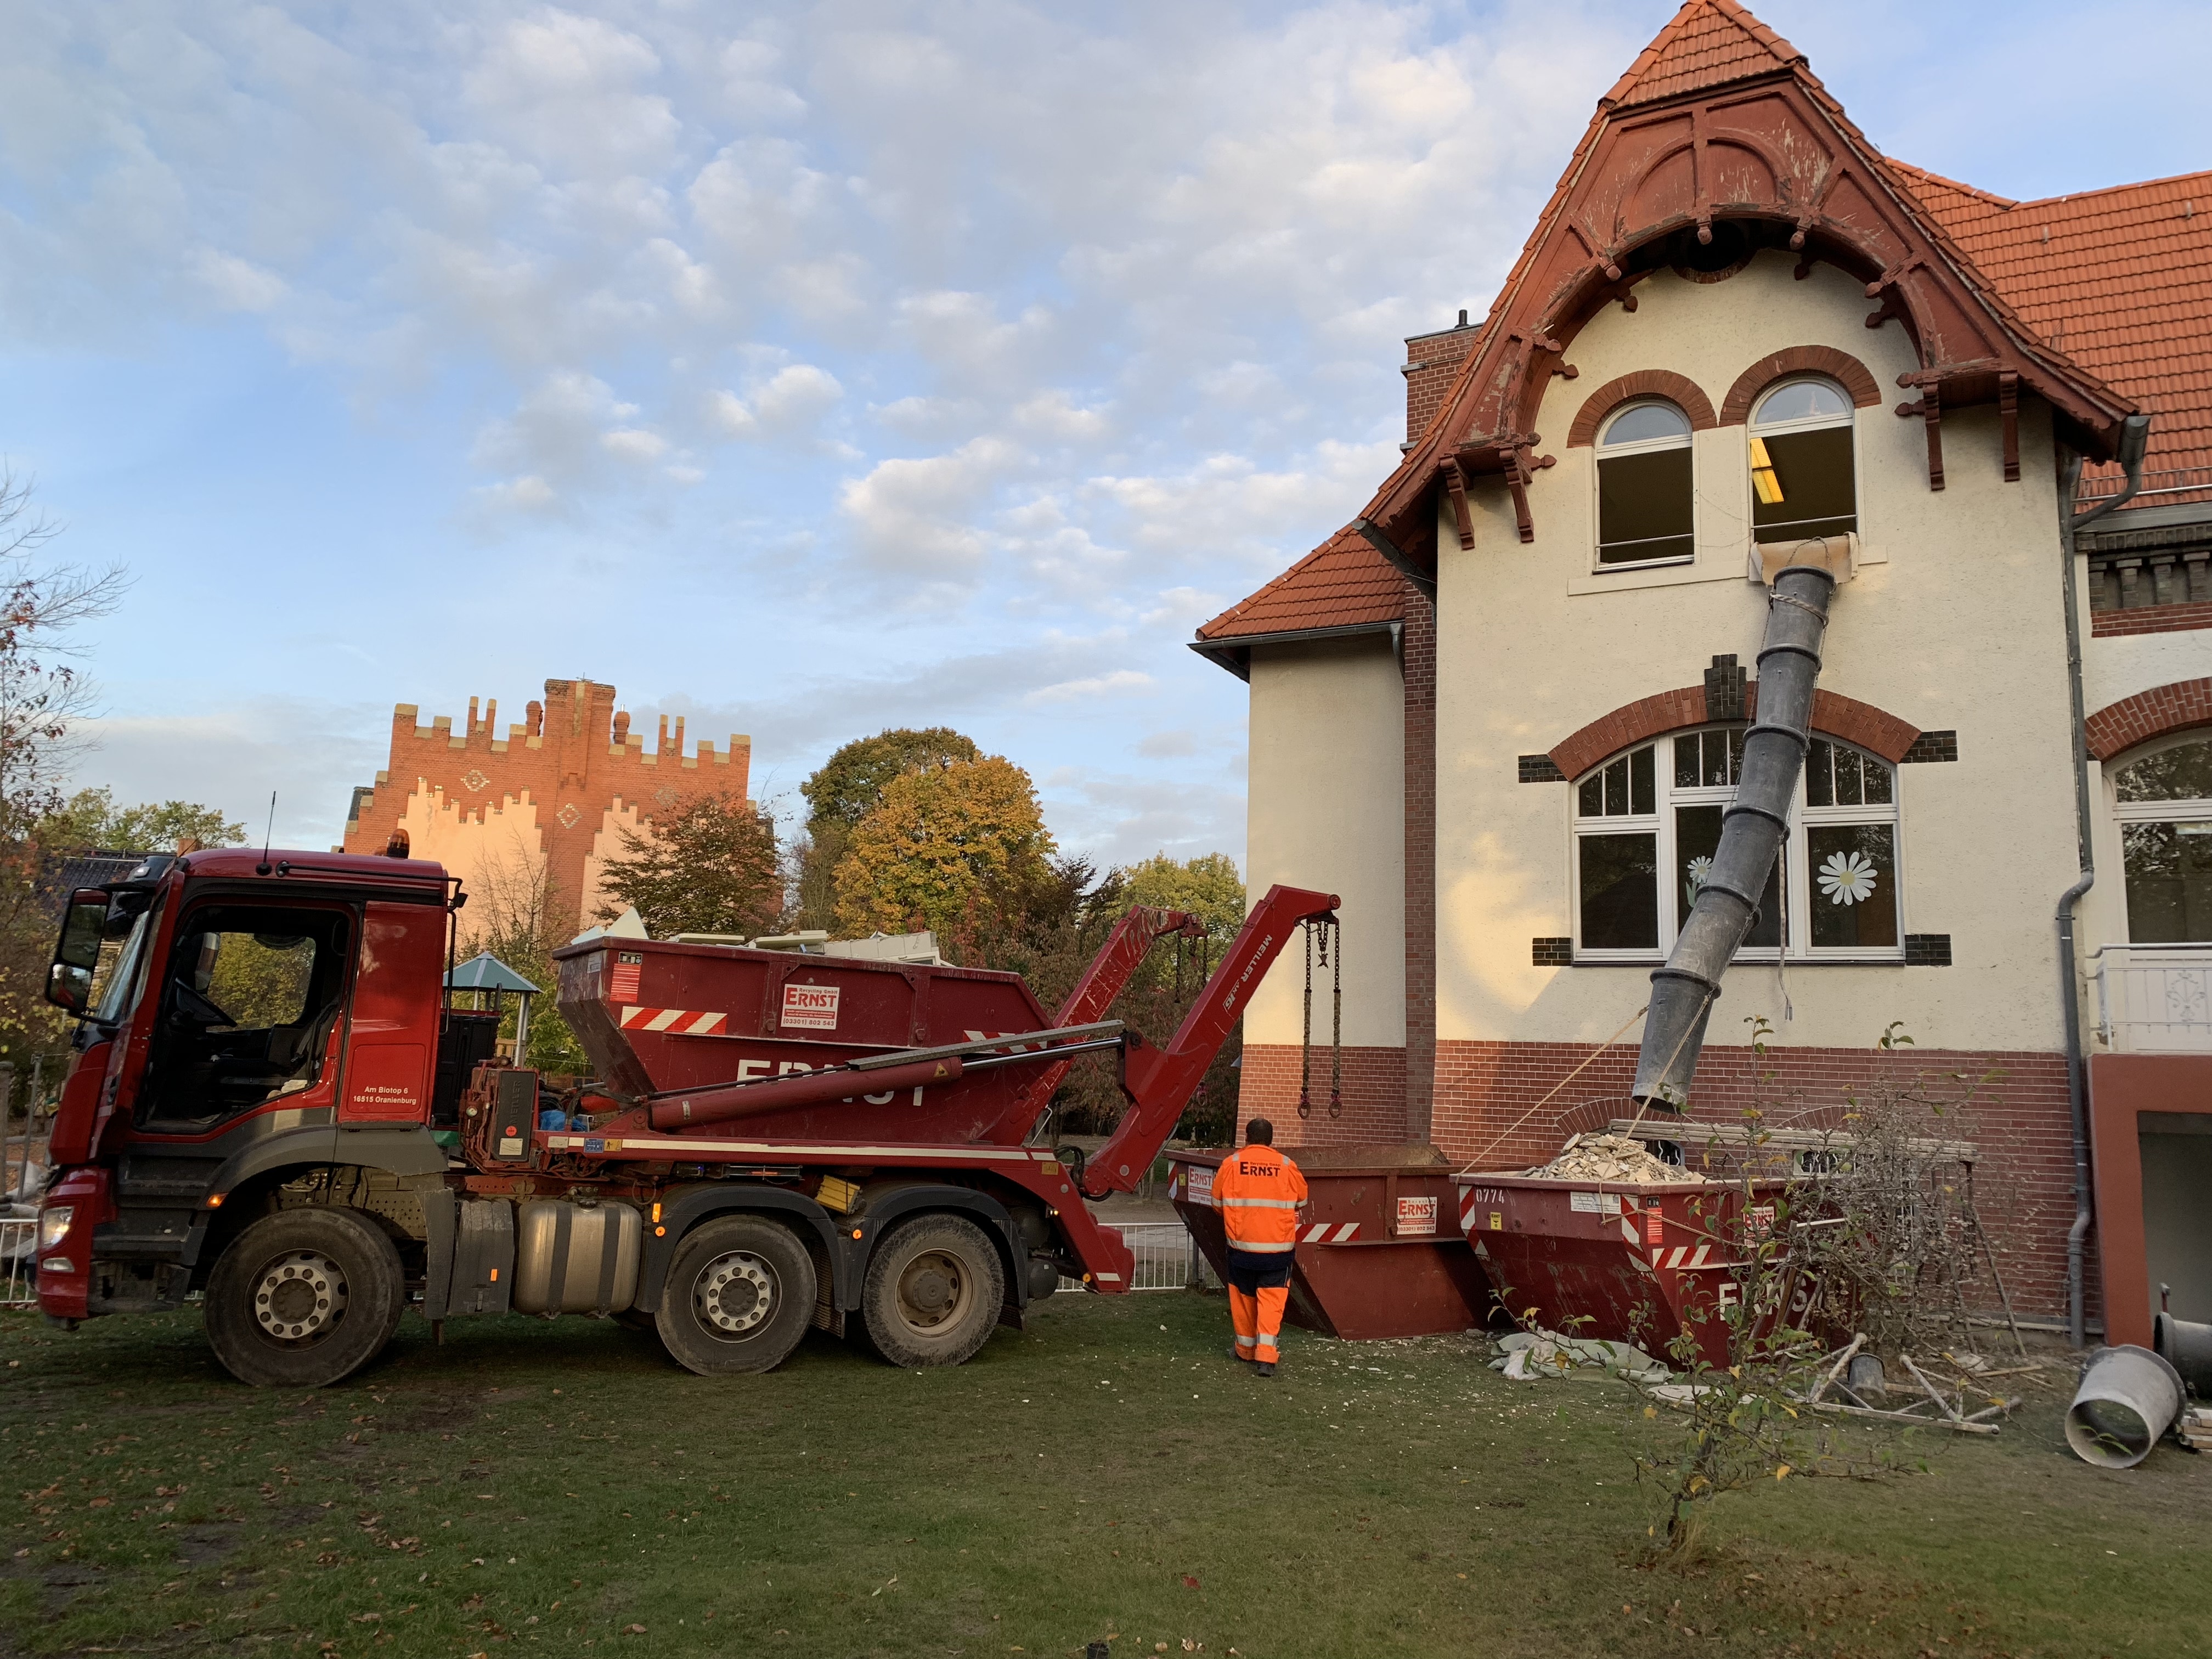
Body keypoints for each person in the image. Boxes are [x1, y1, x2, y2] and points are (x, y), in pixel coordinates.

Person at [1210, 1117, 1307, 1377]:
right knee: (1271, 1305)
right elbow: (1303, 1199)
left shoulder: (1231, 1165)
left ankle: (1244, 1350)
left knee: (1243, 1301)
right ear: (1271, 1140)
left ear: (1247, 1137)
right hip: (1278, 1252)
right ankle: (1266, 1359)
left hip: (1241, 1251)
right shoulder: (1287, 1166)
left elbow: (1217, 1204)